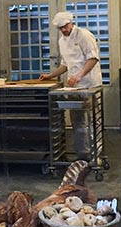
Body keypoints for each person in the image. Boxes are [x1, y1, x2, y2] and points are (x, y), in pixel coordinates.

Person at [39, 11, 102, 161]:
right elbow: (65, 64)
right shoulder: (62, 41)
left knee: (94, 121)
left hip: (90, 85)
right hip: (74, 88)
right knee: (78, 122)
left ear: (70, 23)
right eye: (60, 28)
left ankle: (96, 154)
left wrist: (80, 75)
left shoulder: (84, 35)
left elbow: (93, 58)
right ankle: (83, 155)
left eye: (65, 27)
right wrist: (51, 75)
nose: (64, 30)